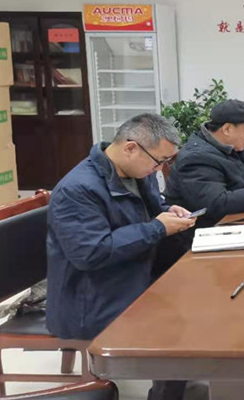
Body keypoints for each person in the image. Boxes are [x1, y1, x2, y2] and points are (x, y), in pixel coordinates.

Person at [45, 114, 198, 400]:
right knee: (178, 324)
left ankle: (189, 382)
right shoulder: (77, 190)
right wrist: (157, 228)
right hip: (93, 296)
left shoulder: (138, 172)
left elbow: (150, 209)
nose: (159, 169)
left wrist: (168, 211)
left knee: (202, 296)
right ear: (130, 148)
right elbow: (90, 253)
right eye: (158, 161)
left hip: (133, 272)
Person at [157, 100, 244, 276]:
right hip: (197, 245)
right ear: (227, 129)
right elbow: (217, 203)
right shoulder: (196, 158)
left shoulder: (231, 147)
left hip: (231, 226)